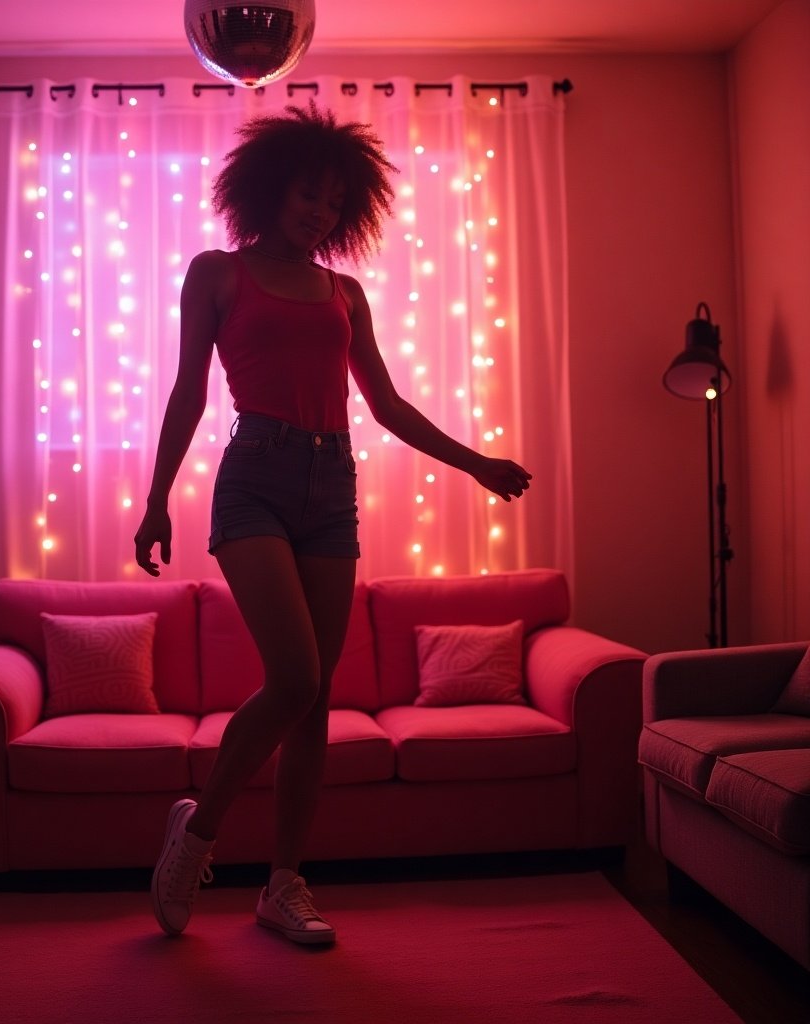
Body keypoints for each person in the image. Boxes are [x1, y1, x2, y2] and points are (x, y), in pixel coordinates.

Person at [134, 102, 531, 946]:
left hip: (330, 483)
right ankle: (196, 836)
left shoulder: (345, 293)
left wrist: (477, 462)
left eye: (331, 201)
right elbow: (187, 393)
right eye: (306, 194)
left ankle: (283, 886)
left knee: (311, 702)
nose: (317, 211)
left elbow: (385, 404)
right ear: (272, 190)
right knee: (295, 676)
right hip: (254, 480)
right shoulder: (215, 273)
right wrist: (155, 497)